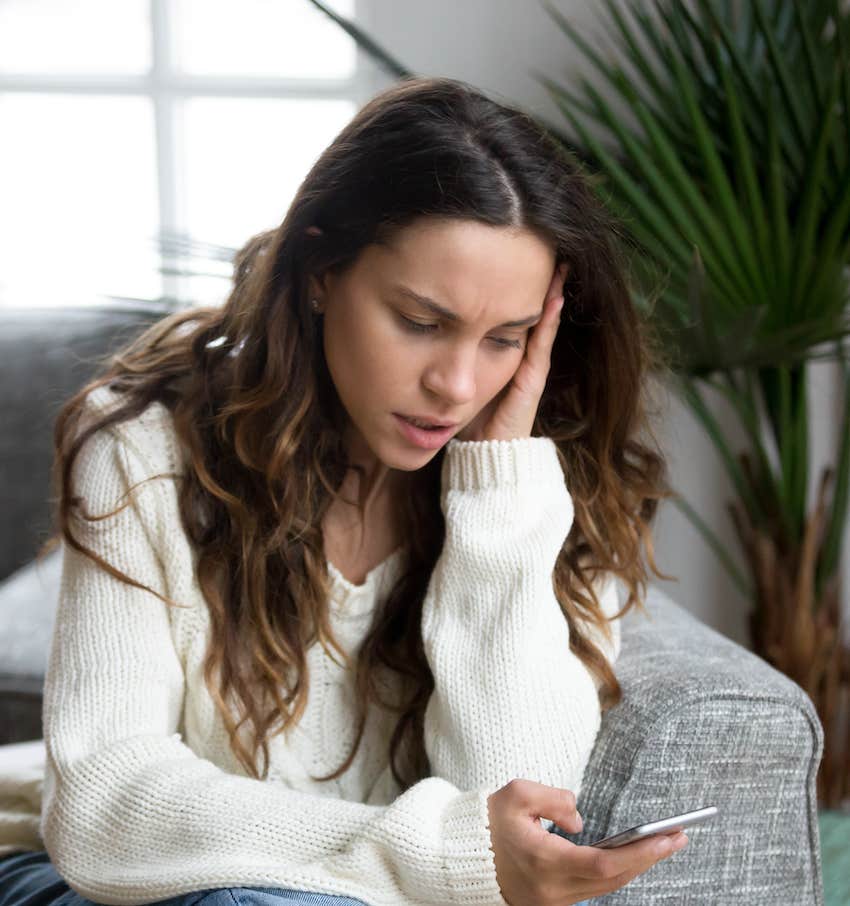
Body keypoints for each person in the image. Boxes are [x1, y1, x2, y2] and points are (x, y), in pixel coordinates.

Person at [0, 76, 684, 906]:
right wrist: (435, 852)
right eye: (421, 322)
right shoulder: (143, 446)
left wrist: (495, 496)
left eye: (505, 340)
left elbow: (521, 818)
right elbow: (105, 808)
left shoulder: (540, 484)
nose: (457, 383)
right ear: (322, 269)